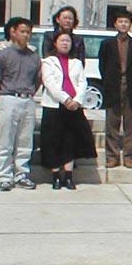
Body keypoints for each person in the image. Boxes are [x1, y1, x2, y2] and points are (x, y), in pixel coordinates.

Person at [0, 17, 41, 191]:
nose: (26, 35)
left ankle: (21, 174)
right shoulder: (2, 55)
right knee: (6, 139)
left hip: (28, 99)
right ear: (13, 32)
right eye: (23, 31)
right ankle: (5, 176)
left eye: (29, 32)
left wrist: (31, 93)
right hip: (8, 98)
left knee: (25, 140)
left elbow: (37, 80)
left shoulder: (34, 56)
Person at [40, 32, 96, 189]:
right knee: (53, 141)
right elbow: (49, 83)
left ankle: (69, 176)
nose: (65, 43)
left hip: (74, 108)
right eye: (62, 40)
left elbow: (82, 82)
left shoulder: (77, 62)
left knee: (69, 141)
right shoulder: (48, 62)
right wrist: (65, 99)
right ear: (55, 43)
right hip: (54, 106)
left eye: (68, 41)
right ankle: (56, 176)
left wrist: (77, 100)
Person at [98, 9, 132, 169]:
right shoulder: (107, 44)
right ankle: (112, 157)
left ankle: (129, 156)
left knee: (130, 125)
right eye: (120, 21)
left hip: (131, 87)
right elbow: (102, 66)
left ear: (130, 24)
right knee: (112, 124)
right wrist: (109, 81)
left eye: (126, 22)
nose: (123, 24)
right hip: (113, 87)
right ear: (115, 24)